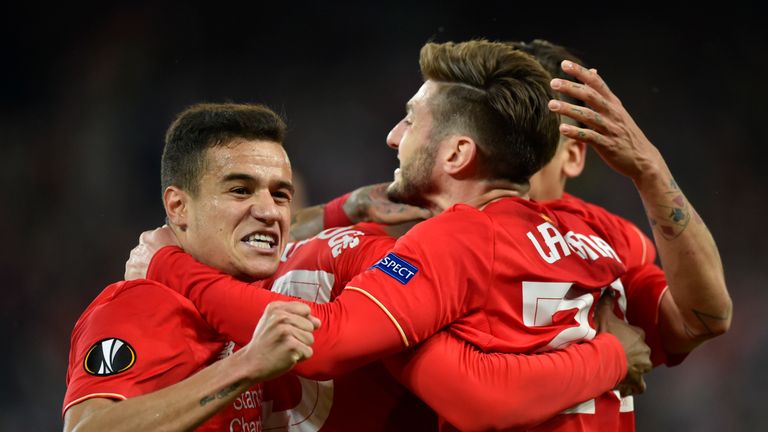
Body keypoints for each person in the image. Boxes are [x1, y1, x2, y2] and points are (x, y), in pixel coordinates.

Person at [133, 40, 663, 430]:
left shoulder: (454, 240)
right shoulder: (600, 238)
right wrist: (654, 176)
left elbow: (327, 342)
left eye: (411, 121)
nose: (393, 137)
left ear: (457, 153)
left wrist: (169, 265)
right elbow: (709, 314)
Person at [62, 103, 322, 432]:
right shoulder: (138, 304)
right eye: (240, 191)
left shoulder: (261, 291)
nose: (270, 212)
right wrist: (247, 365)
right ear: (178, 206)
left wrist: (345, 209)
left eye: (280, 194)